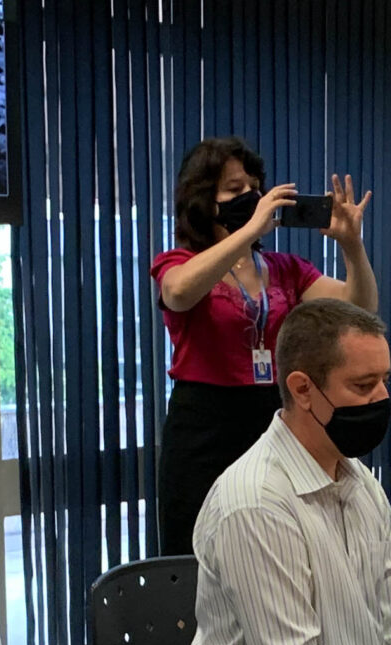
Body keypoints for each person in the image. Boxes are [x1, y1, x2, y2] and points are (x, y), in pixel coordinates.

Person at [187, 299, 391, 645]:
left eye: (386, 381)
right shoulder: (256, 503)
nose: (381, 398)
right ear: (303, 390)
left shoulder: (359, 480)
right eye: (364, 385)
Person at [152, 138, 376, 556]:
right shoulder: (178, 262)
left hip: (270, 419)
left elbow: (359, 310)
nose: (251, 197)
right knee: (197, 552)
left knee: (272, 547)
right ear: (204, 200)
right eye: (235, 189)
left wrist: (352, 246)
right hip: (203, 426)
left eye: (255, 187)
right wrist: (250, 230)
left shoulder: (285, 269)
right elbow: (178, 293)